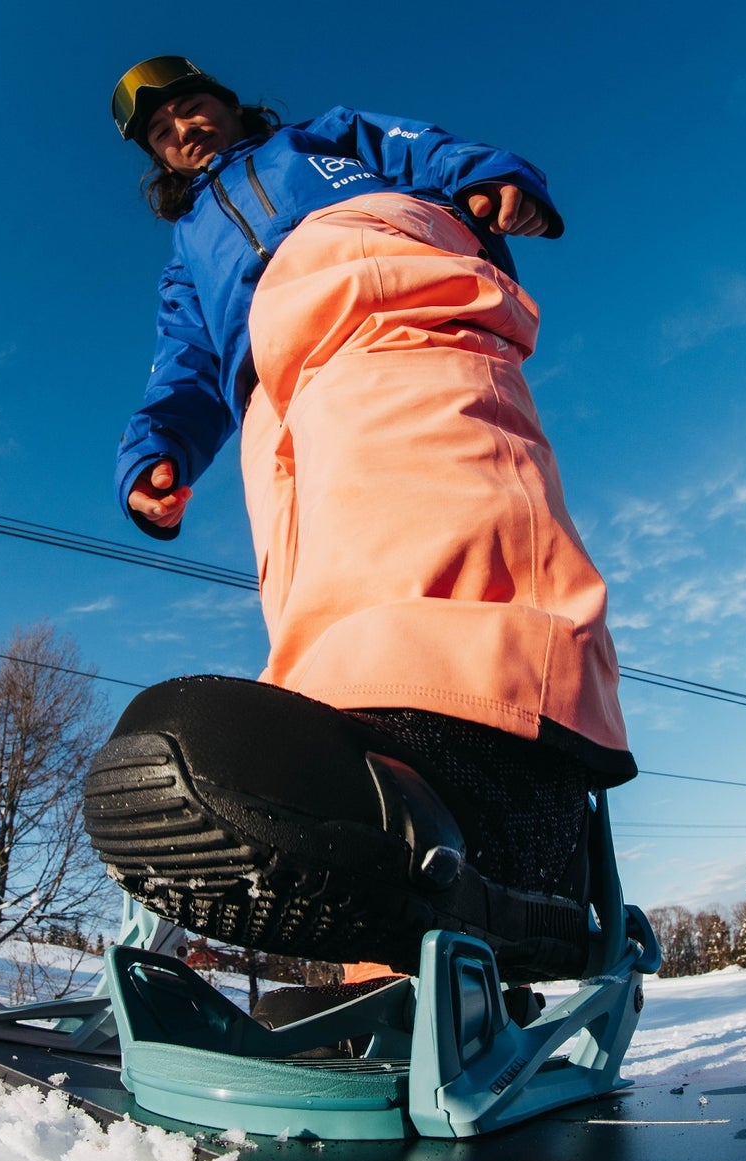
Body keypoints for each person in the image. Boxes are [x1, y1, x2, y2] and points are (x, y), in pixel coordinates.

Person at [83, 57, 635, 983]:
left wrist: (487, 177)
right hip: (272, 395)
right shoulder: (191, 258)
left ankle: (517, 845)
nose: (182, 127)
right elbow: (181, 364)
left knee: (448, 519)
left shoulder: (320, 138)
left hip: (377, 290)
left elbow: (417, 146)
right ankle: (383, 960)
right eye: (161, 130)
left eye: (192, 105)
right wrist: (157, 450)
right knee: (322, 632)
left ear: (226, 103)